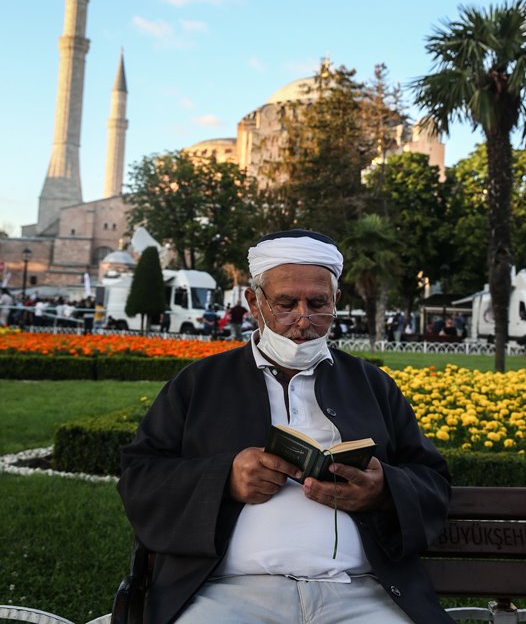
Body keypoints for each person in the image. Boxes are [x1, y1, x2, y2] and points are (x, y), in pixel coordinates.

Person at [118, 229, 452, 624]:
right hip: (226, 593)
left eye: (318, 303)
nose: (303, 319)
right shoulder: (199, 383)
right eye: (285, 303)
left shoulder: (371, 384)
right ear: (254, 304)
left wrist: (383, 492)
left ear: (336, 302)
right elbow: (139, 478)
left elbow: (432, 480)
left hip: (361, 591)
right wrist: (223, 478)